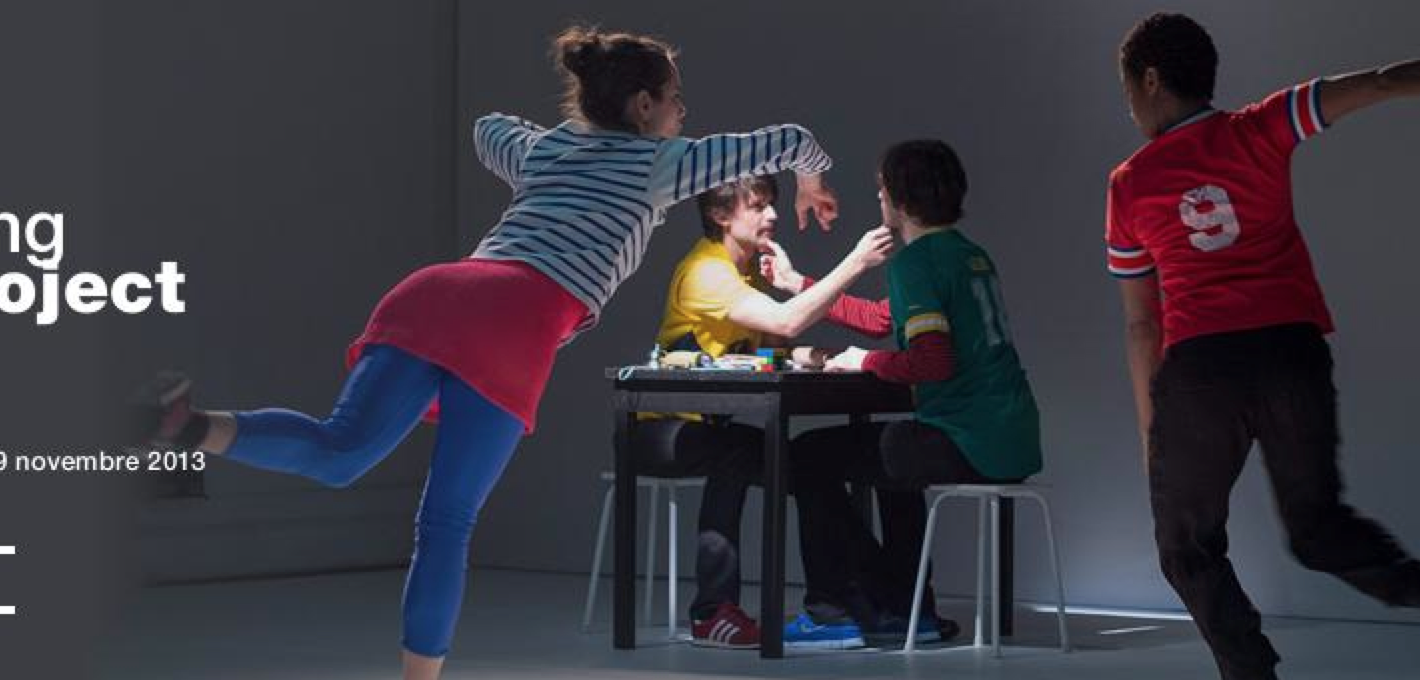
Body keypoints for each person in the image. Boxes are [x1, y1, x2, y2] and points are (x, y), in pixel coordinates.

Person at [132, 26, 843, 680]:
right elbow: (788, 137)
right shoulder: (661, 162)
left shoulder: (547, 148)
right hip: (516, 320)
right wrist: (812, 175)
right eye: (676, 101)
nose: (683, 114)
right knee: (445, 521)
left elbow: (486, 128)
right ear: (644, 102)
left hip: (436, 293)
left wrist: (559, 144)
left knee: (338, 450)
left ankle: (192, 426)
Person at [1105, 12, 1420, 680]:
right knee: (1319, 526)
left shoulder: (1129, 182)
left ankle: (1250, 674)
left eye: (1127, 91)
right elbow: (1385, 82)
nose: (1129, 108)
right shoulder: (1264, 124)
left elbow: (1143, 325)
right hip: (1293, 354)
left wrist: (1154, 429)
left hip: (1205, 369)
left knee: (1185, 546)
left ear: (1150, 80)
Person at [787, 140, 1042, 648]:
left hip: (967, 441)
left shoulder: (915, 263)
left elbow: (931, 362)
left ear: (898, 200)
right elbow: (885, 319)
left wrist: (864, 361)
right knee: (896, 453)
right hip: (1012, 438)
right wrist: (799, 283)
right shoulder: (968, 254)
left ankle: (843, 607)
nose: (879, 198)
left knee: (805, 456)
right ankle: (911, 609)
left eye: (881, 189)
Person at [634, 173, 893, 649]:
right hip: (661, 428)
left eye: (772, 204)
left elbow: (774, 346)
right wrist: (854, 263)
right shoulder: (707, 271)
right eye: (758, 206)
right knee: (741, 453)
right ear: (720, 215)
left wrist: (808, 354)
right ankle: (711, 612)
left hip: (712, 427)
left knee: (810, 464)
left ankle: (851, 603)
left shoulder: (748, 270)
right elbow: (784, 320)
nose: (772, 214)